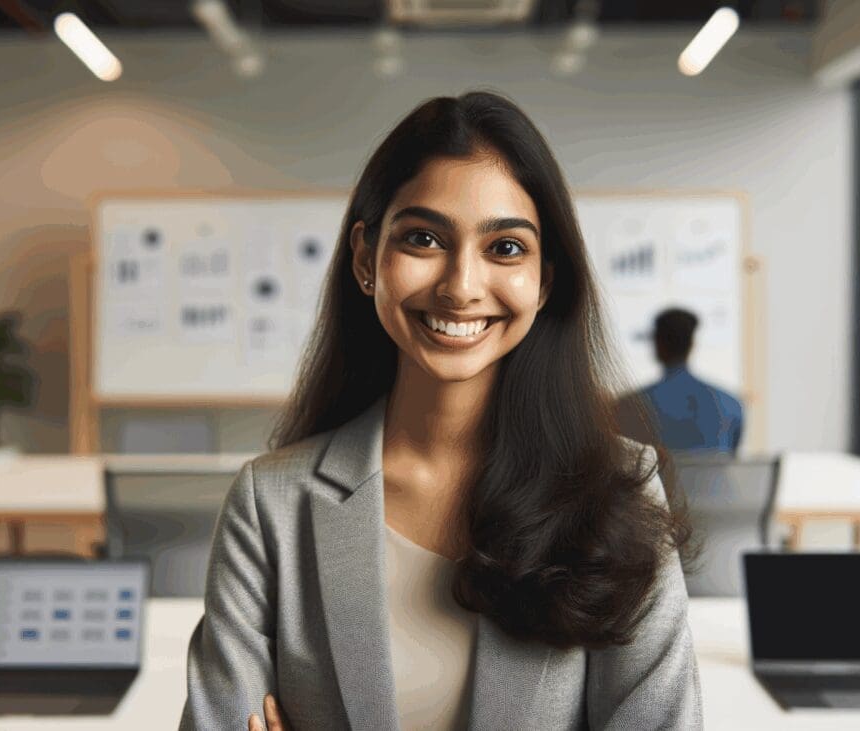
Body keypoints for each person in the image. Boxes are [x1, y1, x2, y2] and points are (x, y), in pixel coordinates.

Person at [179, 91, 701, 731]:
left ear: (546, 280)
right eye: (423, 239)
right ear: (367, 259)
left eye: (505, 248)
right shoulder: (270, 506)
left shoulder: (622, 491)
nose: (460, 286)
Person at [618, 308, 743, 455]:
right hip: (710, 479)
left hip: (660, 478)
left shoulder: (628, 407)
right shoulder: (730, 404)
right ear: (692, 344)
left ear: (658, 344)